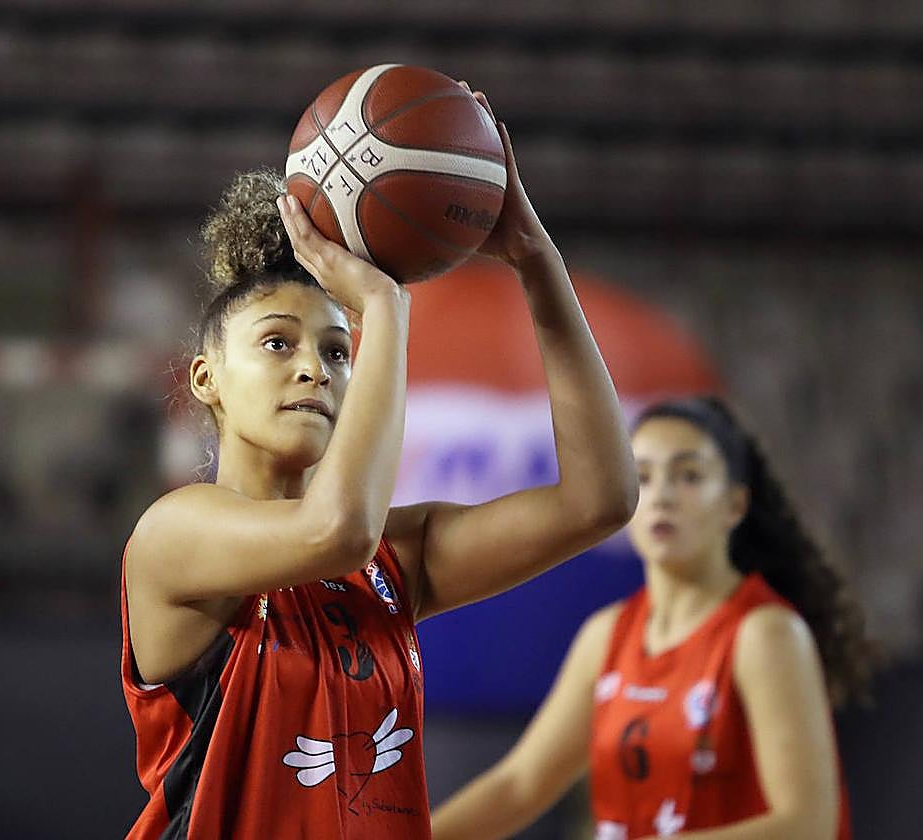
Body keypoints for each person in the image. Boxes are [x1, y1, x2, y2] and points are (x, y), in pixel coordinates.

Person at [120, 88, 637, 839]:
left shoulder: (390, 564)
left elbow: (602, 498)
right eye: (277, 343)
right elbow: (337, 529)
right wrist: (387, 308)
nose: (315, 370)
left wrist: (535, 260)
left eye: (337, 351)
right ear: (206, 380)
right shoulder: (174, 535)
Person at [431, 395, 876, 840]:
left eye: (689, 476)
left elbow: (807, 825)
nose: (661, 495)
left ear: (735, 506)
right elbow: (518, 786)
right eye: (642, 477)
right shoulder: (606, 635)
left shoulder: (765, 633)